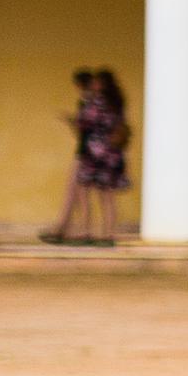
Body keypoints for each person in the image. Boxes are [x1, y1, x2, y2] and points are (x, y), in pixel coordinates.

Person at [43, 68, 131, 246]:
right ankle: (109, 234)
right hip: (112, 154)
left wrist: (72, 119)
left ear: (102, 84)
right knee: (107, 195)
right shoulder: (117, 102)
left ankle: (86, 231)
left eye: (97, 81)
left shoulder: (97, 101)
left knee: (84, 190)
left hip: (94, 153)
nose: (94, 84)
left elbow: (85, 122)